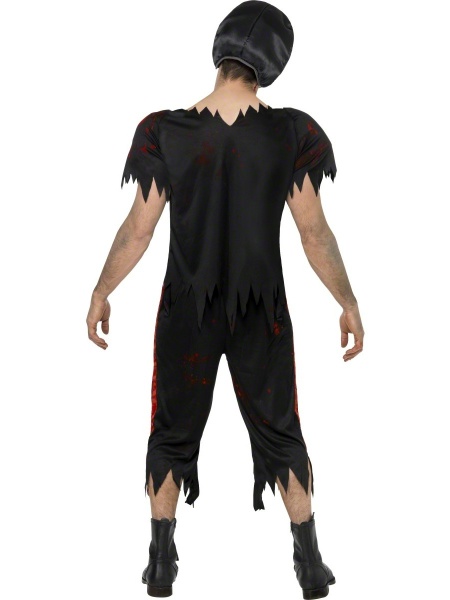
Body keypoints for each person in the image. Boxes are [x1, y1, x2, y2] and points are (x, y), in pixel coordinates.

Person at [86, 1, 364, 598]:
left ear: (219, 51)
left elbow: (139, 229)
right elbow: (314, 232)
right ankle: (310, 563)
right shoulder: (292, 133)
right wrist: (348, 302)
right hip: (262, 313)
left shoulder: (165, 131)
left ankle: (161, 561)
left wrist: (102, 290)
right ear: (273, 67)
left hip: (186, 310)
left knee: (171, 430)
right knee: (282, 431)